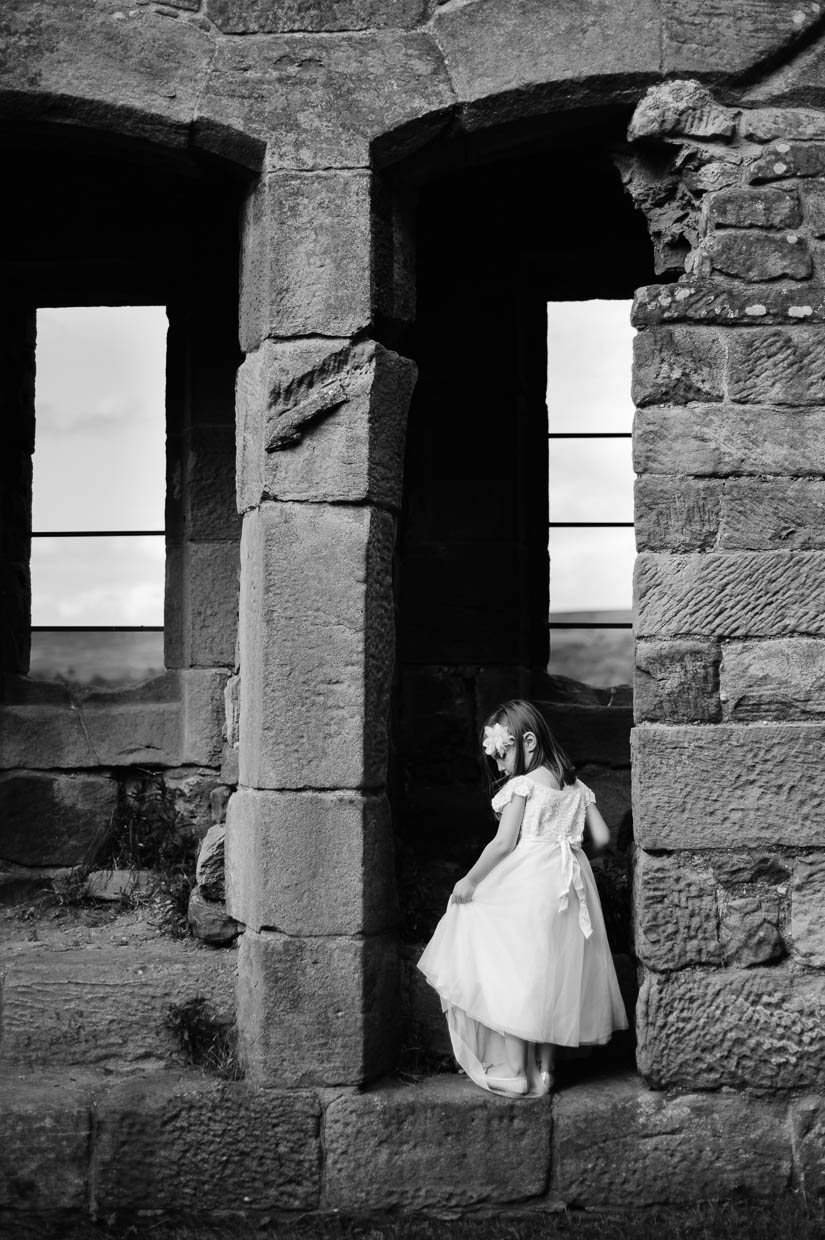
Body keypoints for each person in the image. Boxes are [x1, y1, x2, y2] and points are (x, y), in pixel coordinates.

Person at [417, 699, 628, 1097]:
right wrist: (572, 852)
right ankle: (547, 1070)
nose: (498, 766)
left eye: (502, 754)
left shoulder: (523, 786)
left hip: (528, 883)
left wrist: (469, 880)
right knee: (554, 975)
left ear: (528, 742)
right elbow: (601, 838)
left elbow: (501, 844)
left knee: (516, 970)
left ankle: (518, 1067)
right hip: (569, 887)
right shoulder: (577, 788)